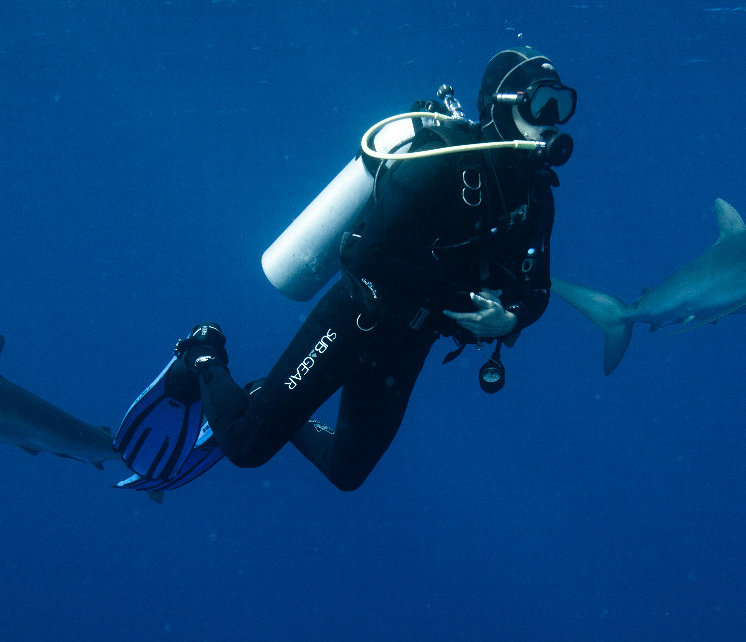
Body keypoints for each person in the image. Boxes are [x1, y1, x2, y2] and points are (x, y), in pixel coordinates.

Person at [171, 47, 575, 491]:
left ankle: (265, 396)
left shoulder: (537, 197)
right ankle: (202, 352)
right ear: (503, 106)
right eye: (541, 103)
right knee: (246, 448)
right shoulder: (440, 160)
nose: (553, 118)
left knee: (346, 473)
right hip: (355, 319)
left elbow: (539, 290)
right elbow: (371, 255)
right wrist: (467, 306)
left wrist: (511, 317)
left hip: (408, 344)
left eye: (562, 104)